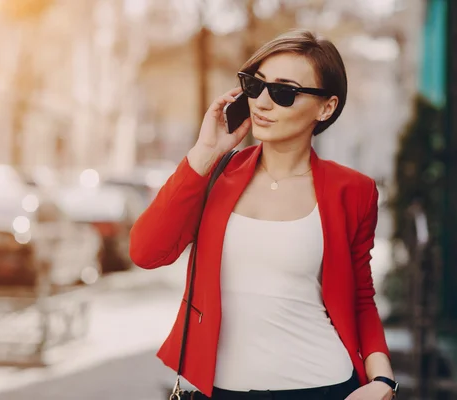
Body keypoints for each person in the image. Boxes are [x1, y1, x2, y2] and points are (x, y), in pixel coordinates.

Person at [130, 29, 397, 400]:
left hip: (323, 386)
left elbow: (361, 298)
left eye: (284, 92)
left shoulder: (353, 190)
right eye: (255, 86)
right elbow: (146, 251)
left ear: (326, 107)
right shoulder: (215, 174)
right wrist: (204, 154)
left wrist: (382, 381)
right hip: (224, 391)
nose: (263, 103)